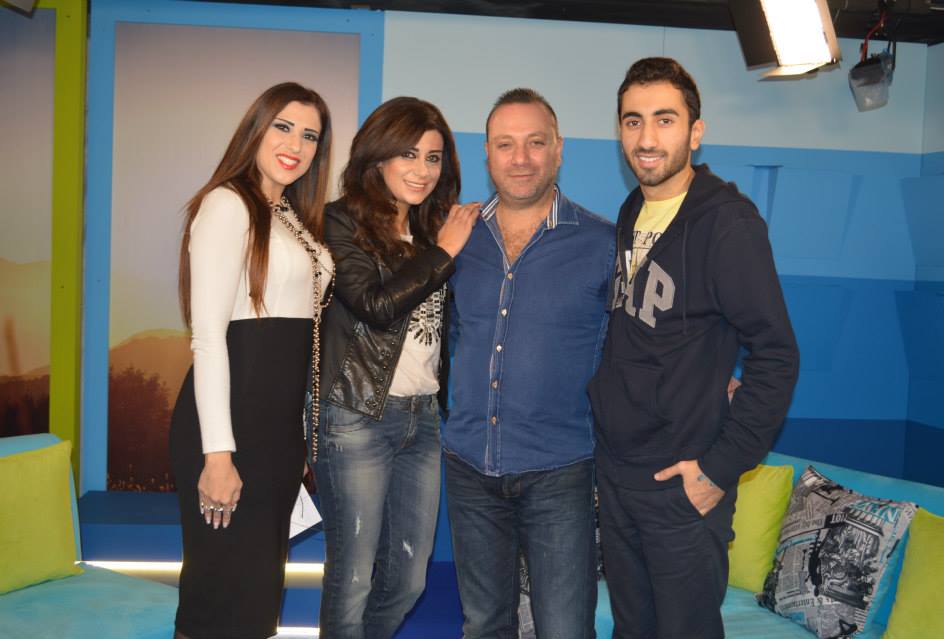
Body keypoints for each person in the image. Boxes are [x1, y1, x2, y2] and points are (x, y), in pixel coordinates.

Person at [587, 57, 800, 639]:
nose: (646, 139)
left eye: (665, 120)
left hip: (683, 479)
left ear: (695, 131)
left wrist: (718, 469)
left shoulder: (728, 223)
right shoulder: (633, 209)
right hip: (620, 471)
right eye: (633, 121)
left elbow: (777, 355)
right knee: (633, 629)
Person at [444, 88, 616, 639]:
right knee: (483, 625)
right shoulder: (456, 238)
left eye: (535, 143)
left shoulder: (603, 243)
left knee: (565, 629)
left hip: (560, 470)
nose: (520, 158)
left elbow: (640, 343)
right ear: (487, 154)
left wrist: (711, 376)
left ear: (558, 149)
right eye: (505, 144)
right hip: (468, 467)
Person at [169, 82, 335, 639]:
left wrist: (299, 439)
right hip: (229, 431)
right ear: (255, 129)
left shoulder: (288, 214)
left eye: (310, 135)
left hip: (277, 437)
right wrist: (218, 456)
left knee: (257, 601)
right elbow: (207, 339)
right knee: (218, 597)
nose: (296, 145)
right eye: (283, 127)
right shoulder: (227, 204)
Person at [310, 96, 479, 639]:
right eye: (408, 154)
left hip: (421, 418)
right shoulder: (341, 221)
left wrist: (443, 246)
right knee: (353, 577)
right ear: (377, 156)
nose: (422, 170)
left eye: (433, 158)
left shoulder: (432, 230)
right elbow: (374, 305)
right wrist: (444, 254)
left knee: (408, 579)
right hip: (354, 414)